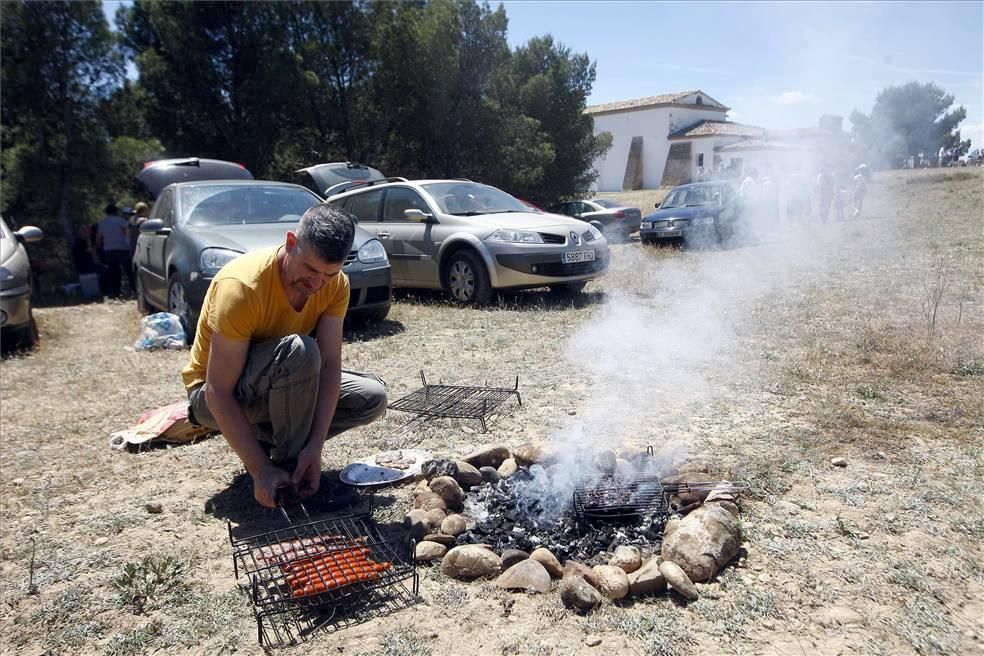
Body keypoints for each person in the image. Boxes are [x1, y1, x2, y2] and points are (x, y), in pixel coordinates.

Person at [182, 203, 387, 508]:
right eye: (311, 270)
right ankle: (290, 479)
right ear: (291, 243)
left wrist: (315, 446)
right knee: (301, 352)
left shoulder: (336, 286)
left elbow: (330, 366)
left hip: (281, 386)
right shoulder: (242, 287)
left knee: (371, 396)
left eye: (329, 274)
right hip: (214, 398)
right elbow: (217, 391)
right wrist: (259, 469)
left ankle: (285, 452)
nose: (317, 284)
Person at [96, 204, 133, 297]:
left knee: (113, 271)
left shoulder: (102, 223)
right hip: (122, 248)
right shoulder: (121, 221)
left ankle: (115, 292)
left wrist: (99, 247)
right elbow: (127, 233)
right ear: (116, 212)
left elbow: (99, 237)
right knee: (128, 270)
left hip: (109, 249)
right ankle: (134, 289)